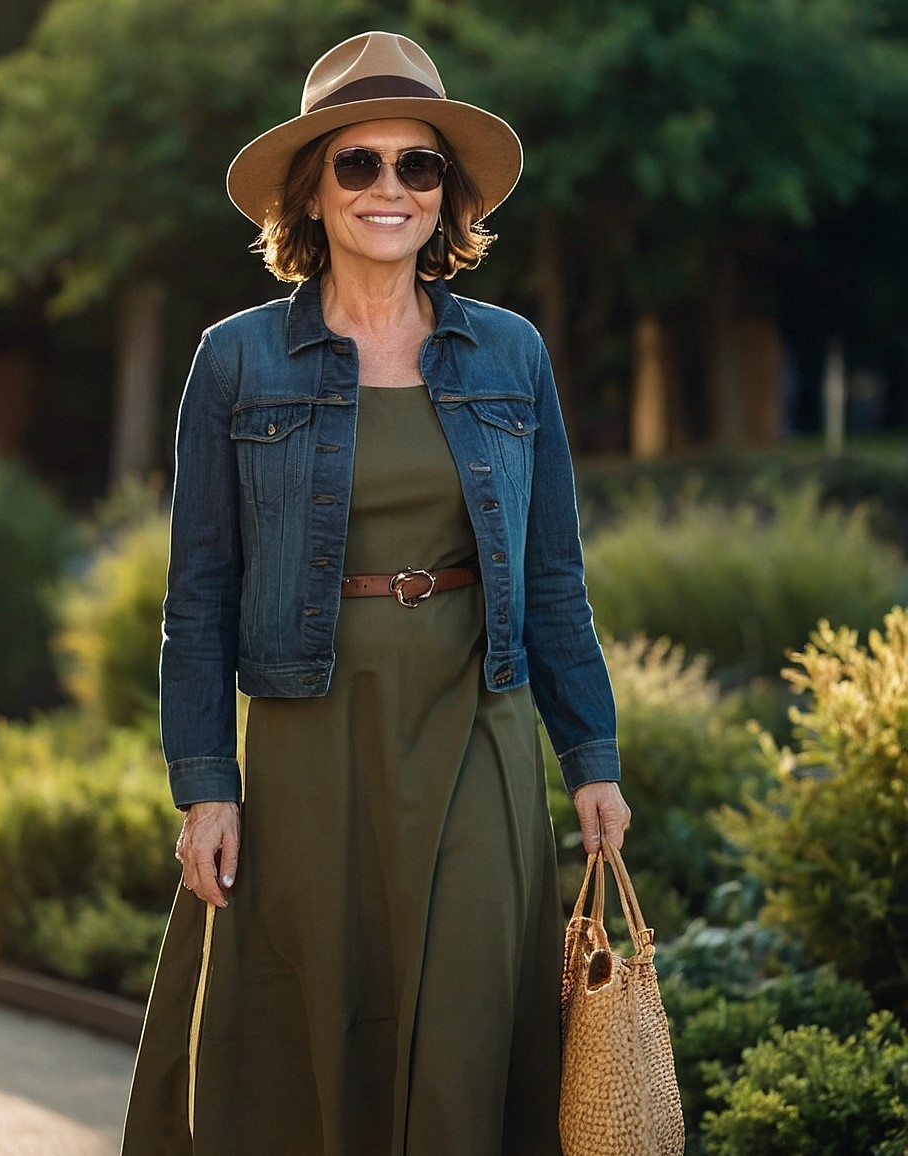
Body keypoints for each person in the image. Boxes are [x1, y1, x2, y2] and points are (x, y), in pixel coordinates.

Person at [122, 29, 631, 1156]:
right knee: (308, 1027)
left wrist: (591, 752)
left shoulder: (512, 355)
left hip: (478, 725)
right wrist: (205, 783)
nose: (390, 188)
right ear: (311, 191)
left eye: (420, 165)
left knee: (462, 1016)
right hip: (310, 733)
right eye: (359, 163)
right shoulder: (237, 360)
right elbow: (197, 591)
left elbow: (554, 576)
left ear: (447, 197)